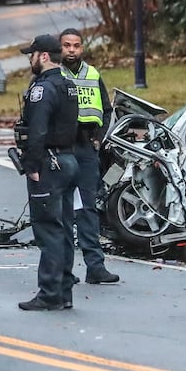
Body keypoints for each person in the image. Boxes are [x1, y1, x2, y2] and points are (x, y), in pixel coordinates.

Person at [16, 34, 80, 311]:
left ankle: (50, 293)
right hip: (68, 159)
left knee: (48, 229)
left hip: (49, 164)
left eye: (31, 55)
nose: (29, 60)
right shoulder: (68, 85)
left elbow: (38, 131)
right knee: (64, 227)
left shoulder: (42, 89)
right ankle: (64, 291)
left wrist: (32, 166)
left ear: (43, 56)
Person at [58, 27, 120, 285]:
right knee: (63, 210)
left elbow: (106, 109)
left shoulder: (93, 74)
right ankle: (64, 271)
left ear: (82, 48)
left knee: (88, 209)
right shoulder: (54, 74)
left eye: (76, 45)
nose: (71, 50)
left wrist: (98, 139)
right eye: (67, 45)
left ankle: (95, 267)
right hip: (62, 148)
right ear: (60, 48)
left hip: (85, 148)